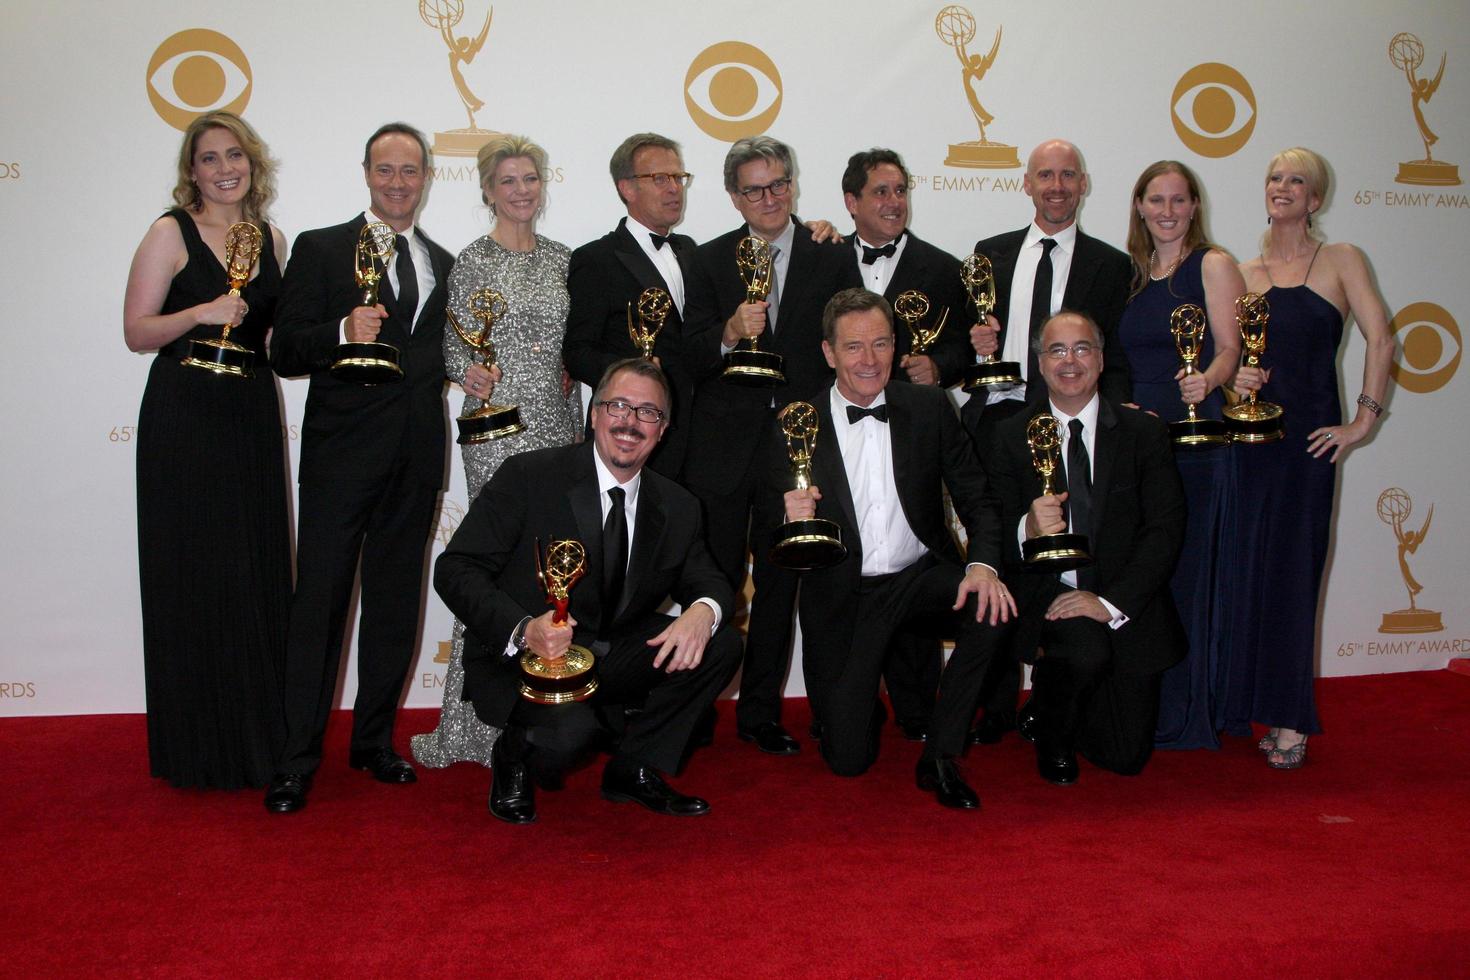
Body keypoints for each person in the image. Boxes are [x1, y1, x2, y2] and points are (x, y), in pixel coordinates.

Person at [435, 359, 740, 823]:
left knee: (721, 640)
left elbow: (710, 581)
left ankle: (632, 767)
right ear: (594, 413)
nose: (630, 423)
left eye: (647, 412)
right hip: (532, 660)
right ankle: (514, 752)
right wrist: (523, 629)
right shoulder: (529, 475)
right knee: (564, 745)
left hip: (610, 651)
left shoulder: (678, 505)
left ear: (663, 428)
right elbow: (455, 567)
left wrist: (703, 611)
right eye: (618, 406)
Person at [264, 123, 462, 813]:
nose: (398, 182)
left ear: (427, 175)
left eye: (410, 170)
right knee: (317, 605)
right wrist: (343, 331)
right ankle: (295, 758)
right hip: (340, 459)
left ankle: (374, 741)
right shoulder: (322, 249)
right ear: (366, 173)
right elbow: (284, 349)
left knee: (392, 606)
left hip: (415, 458)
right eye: (386, 169)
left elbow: (440, 356)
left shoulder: (444, 260)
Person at [766, 289, 1013, 808]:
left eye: (881, 344)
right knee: (848, 762)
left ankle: (942, 757)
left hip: (918, 578)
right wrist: (789, 520)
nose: (870, 360)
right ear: (829, 353)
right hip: (845, 595)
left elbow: (979, 500)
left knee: (992, 610)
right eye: (854, 347)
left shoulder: (927, 407)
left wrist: (984, 565)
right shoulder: (796, 423)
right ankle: (858, 704)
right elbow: (770, 536)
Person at [122, 110, 292, 790]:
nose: (225, 168)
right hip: (184, 419)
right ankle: (196, 750)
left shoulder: (274, 238)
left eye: (235, 156)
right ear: (191, 171)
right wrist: (200, 313)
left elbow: (278, 344)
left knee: (253, 570)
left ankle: (260, 743)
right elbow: (137, 331)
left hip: (250, 414)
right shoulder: (171, 232)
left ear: (253, 163)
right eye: (210, 158)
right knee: (191, 572)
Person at [683, 136, 861, 756]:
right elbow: (688, 352)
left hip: (799, 449)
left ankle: (761, 713)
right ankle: (693, 710)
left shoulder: (828, 252)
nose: (769, 198)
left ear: (793, 184)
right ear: (734, 197)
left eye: (779, 184)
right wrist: (730, 332)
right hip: (723, 451)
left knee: (785, 586)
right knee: (715, 583)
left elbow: (846, 336)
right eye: (755, 188)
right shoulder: (705, 261)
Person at [411, 134, 579, 770]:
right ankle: (473, 725)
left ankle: (547, 710)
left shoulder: (566, 259)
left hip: (558, 430)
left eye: (530, 178)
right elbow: (455, 349)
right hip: (495, 432)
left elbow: (577, 343)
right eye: (507, 180)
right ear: (486, 190)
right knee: (488, 566)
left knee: (551, 568)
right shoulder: (472, 261)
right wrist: (469, 373)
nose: (521, 190)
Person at [1227, 147, 1393, 769]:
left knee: (1295, 576)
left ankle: (1291, 720)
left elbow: (1384, 336)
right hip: (1248, 447)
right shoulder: (1242, 273)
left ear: (1315, 198)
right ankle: (1239, 703)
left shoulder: (1342, 260)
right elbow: (1223, 361)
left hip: (1307, 450)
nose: (1284, 187)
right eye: (1275, 177)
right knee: (1245, 573)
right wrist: (1233, 381)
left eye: (1298, 180)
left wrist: (1362, 422)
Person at [964, 139, 1132, 745]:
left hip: (1071, 429)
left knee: (1061, 559)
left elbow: (1111, 355)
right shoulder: (989, 255)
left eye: (1067, 175)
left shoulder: (1111, 266)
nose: (1056, 185)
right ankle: (996, 705)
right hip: (998, 431)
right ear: (1025, 184)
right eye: (1045, 175)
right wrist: (974, 350)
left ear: (1083, 184)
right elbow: (966, 350)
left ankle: (1055, 692)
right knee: (1000, 561)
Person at [983, 312, 1186, 784]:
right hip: (1049, 595)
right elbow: (991, 523)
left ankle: (1054, 705)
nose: (1069, 361)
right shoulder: (1010, 435)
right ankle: (1053, 731)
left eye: (1081, 349)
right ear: (1039, 362)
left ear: (1100, 359)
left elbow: (1165, 530)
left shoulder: (1144, 433)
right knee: (1084, 652)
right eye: (1056, 351)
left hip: (1123, 600)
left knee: (1126, 757)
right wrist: (1026, 528)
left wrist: (1109, 602)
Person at [840, 148, 975, 742]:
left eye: (900, 191)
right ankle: (849, 705)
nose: (894, 202)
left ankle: (925, 712)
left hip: (916, 432)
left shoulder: (943, 267)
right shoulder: (822, 257)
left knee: (912, 548)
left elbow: (967, 349)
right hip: (841, 439)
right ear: (852, 203)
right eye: (880, 192)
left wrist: (936, 367)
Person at [1118, 160, 1244, 751]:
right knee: (1147, 579)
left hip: (1195, 444)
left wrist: (1209, 381)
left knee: (1189, 577)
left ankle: (1188, 714)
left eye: (1177, 200)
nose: (1166, 212)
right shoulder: (1134, 273)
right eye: (1155, 200)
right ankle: (1144, 708)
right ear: (1140, 206)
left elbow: (1230, 349)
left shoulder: (1213, 265)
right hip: (1139, 446)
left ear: (1195, 206)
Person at [564, 133, 697, 477]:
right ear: (627, 188)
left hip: (696, 438)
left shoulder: (691, 251)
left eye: (679, 178)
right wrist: (634, 371)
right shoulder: (595, 259)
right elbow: (578, 353)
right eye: (660, 179)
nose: (674, 188)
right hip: (629, 435)